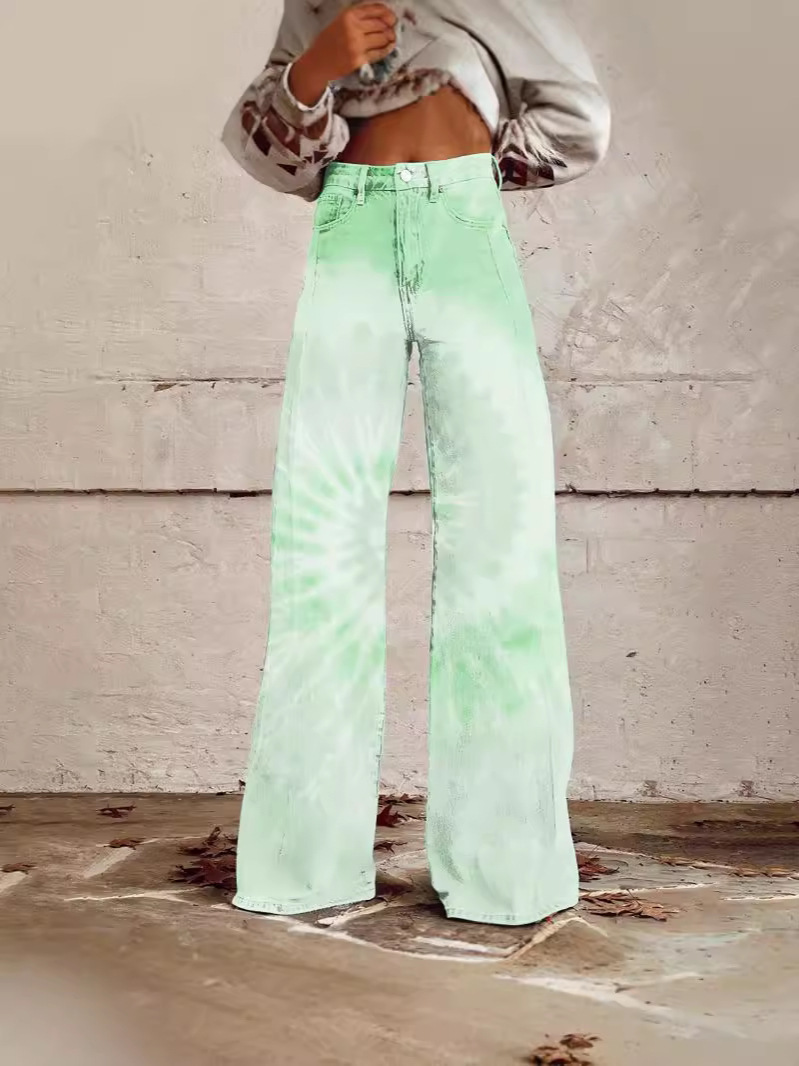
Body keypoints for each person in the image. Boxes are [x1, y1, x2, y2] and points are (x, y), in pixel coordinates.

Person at [221, 0, 610, 926]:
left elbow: (579, 117)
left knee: (502, 548)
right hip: (349, 229)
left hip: (463, 228)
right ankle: (301, 865)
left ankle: (508, 868)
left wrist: (472, 167)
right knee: (320, 549)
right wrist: (311, 72)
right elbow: (267, 149)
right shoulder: (319, 3)